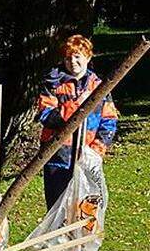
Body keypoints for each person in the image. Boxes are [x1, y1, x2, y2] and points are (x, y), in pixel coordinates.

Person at [37, 34, 118, 207]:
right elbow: (46, 114)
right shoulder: (53, 83)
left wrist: (96, 150)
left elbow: (109, 120)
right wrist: (71, 112)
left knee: (84, 208)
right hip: (57, 156)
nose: (72, 61)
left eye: (77, 56)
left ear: (88, 57)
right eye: (68, 57)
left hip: (87, 156)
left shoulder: (98, 86)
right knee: (57, 207)